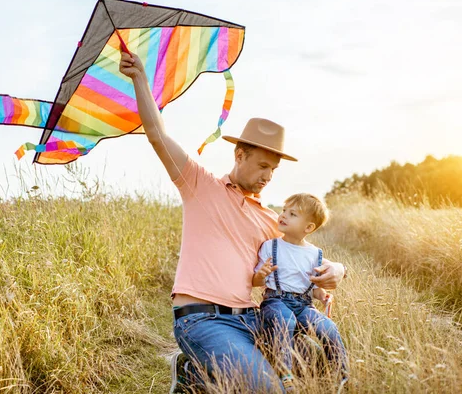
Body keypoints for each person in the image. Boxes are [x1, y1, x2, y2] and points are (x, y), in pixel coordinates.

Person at [118, 52, 347, 393]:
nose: (268, 175)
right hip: (203, 320)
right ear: (240, 155)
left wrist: (338, 270)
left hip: (252, 318)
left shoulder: (272, 220)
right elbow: (157, 136)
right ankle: (202, 366)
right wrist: (139, 79)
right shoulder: (199, 185)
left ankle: (196, 376)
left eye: (274, 169)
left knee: (309, 361)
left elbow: (309, 255)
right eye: (263, 166)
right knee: (271, 390)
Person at [253, 194, 348, 389]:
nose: (283, 216)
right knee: (284, 321)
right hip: (275, 301)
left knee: (327, 327)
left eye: (292, 214)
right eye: (284, 210)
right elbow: (256, 281)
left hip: (304, 304)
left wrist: (322, 295)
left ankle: (340, 373)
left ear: (308, 228)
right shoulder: (271, 246)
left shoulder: (314, 254)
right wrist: (261, 275)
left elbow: (312, 285)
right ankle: (285, 373)